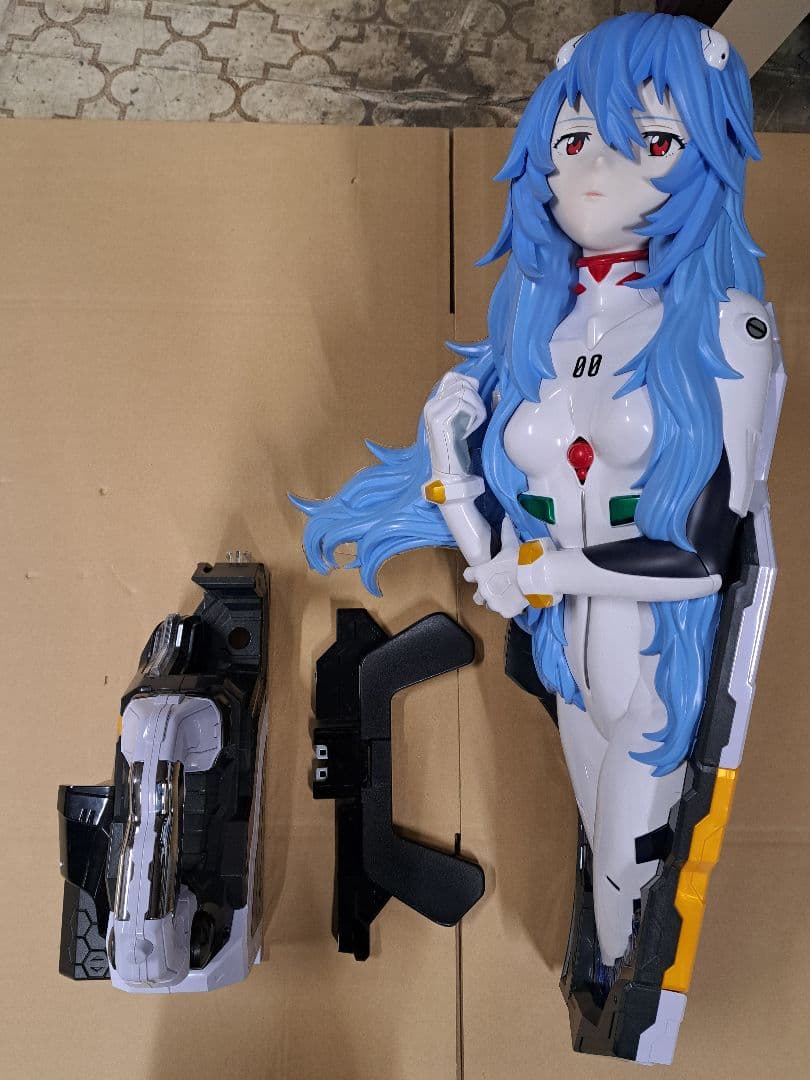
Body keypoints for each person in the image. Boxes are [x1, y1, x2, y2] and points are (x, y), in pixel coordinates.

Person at [291, 12, 775, 972]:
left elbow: (703, 556)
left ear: (705, 157)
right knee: (603, 866)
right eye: (574, 137)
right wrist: (448, 459)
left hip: (655, 658)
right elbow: (497, 569)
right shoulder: (533, 328)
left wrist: (544, 569)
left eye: (653, 142)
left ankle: (627, 1004)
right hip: (564, 656)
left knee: (630, 889)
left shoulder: (727, 327)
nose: (597, 166)